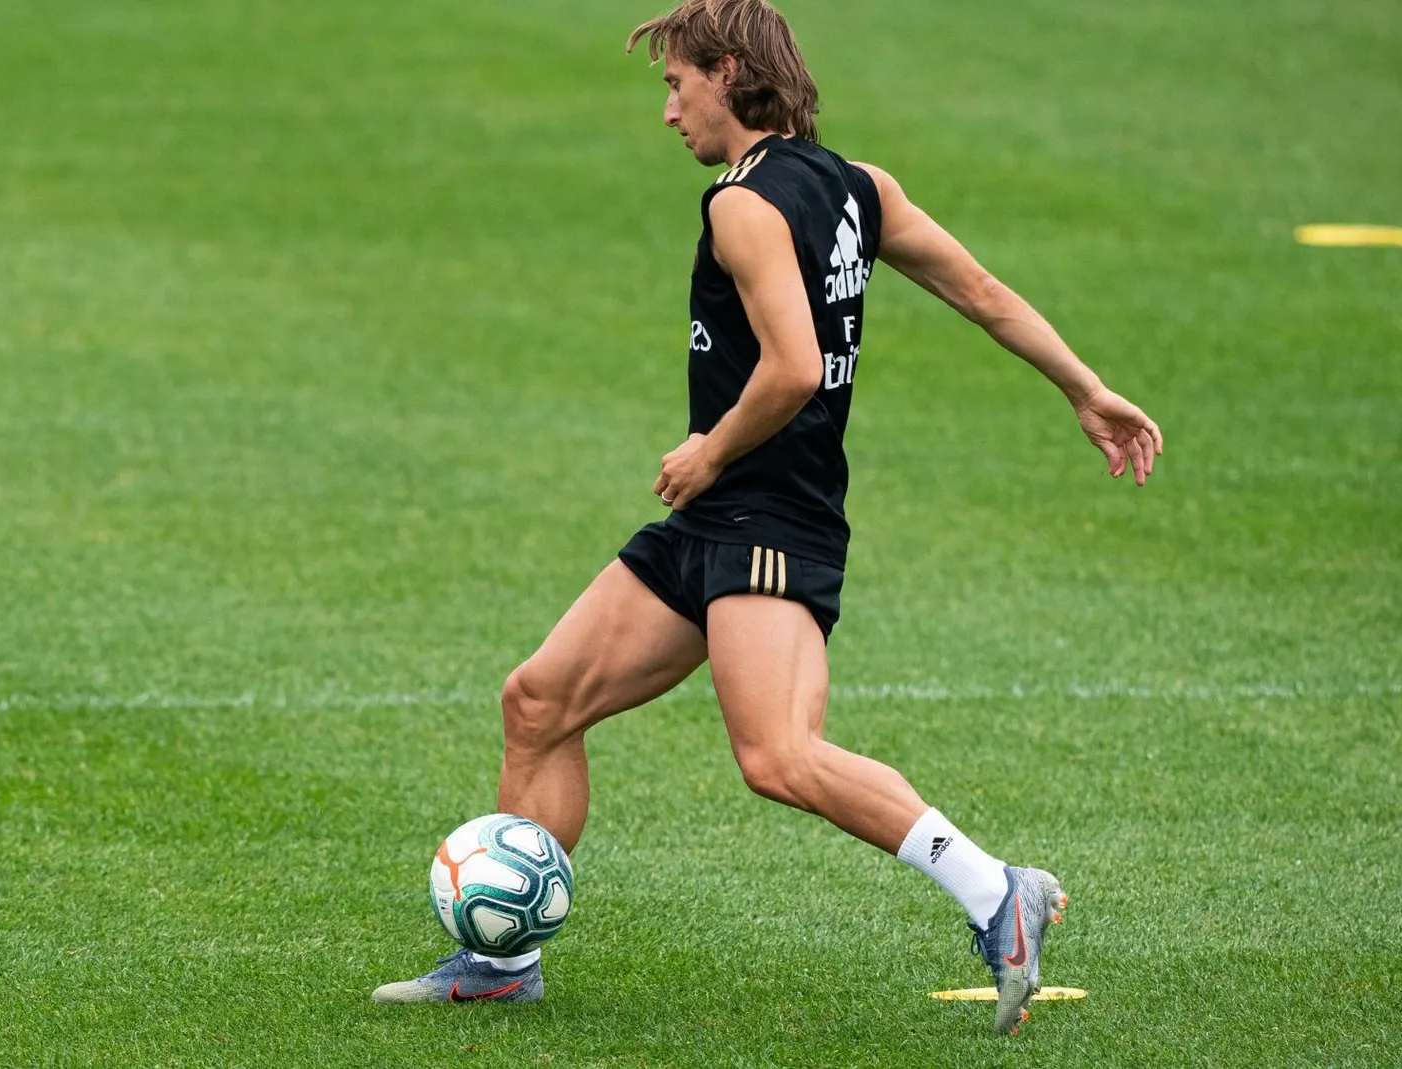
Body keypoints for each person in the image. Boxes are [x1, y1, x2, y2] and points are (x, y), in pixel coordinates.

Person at [372, 0, 1162, 1036]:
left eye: (674, 84)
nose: (668, 113)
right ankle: (497, 961)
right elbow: (977, 288)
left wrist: (708, 446)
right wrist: (1083, 386)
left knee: (779, 754)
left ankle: (994, 889)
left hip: (765, 520)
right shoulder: (859, 188)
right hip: (718, 520)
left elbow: (790, 370)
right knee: (538, 701)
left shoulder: (740, 204)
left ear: (729, 72)